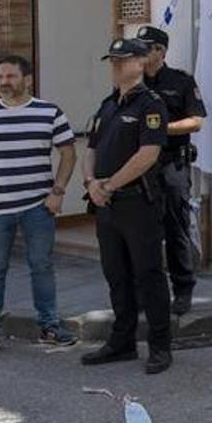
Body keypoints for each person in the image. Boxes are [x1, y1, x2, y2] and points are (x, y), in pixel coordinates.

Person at [0, 56, 78, 361]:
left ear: (27, 78)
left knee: (41, 266)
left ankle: (50, 326)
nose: (3, 82)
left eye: (11, 76)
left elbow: (68, 152)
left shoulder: (49, 112)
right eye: (0, 77)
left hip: (38, 208)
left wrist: (58, 191)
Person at [80, 38, 173, 375]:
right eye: (112, 60)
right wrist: (91, 184)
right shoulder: (108, 105)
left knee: (148, 274)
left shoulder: (151, 104)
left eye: (123, 59)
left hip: (137, 203)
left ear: (141, 61)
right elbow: (90, 149)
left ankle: (160, 346)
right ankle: (122, 342)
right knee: (116, 275)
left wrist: (108, 185)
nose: (117, 65)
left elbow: (147, 155)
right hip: (106, 204)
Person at [138, 25, 207, 316]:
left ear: (160, 52)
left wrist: (160, 130)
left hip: (171, 164)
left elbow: (196, 121)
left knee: (176, 227)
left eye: (146, 48)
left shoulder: (180, 81)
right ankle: (149, 292)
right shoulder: (133, 82)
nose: (140, 53)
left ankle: (183, 289)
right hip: (140, 166)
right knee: (143, 232)